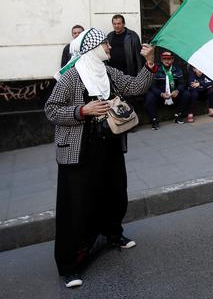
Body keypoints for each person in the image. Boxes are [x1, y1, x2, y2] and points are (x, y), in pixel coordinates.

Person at [45, 28, 156, 288]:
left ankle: (112, 234)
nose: (109, 48)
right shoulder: (72, 77)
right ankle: (71, 264)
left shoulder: (107, 73)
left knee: (114, 191)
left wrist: (150, 62)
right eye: (105, 45)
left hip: (109, 146)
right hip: (80, 151)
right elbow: (51, 110)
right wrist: (82, 110)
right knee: (78, 204)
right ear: (92, 48)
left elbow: (135, 86)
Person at [144, 51, 188, 129]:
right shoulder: (156, 70)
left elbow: (182, 84)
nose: (167, 61)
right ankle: (154, 120)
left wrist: (177, 91)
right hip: (161, 95)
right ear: (161, 60)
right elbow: (152, 86)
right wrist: (161, 94)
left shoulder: (177, 70)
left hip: (173, 94)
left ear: (173, 60)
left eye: (169, 59)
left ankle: (178, 116)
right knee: (149, 97)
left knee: (186, 94)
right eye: (164, 59)